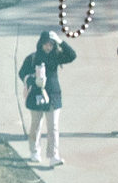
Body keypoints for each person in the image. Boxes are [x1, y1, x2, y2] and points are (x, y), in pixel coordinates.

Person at [18, 31, 78, 166]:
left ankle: (53, 156)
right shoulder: (32, 58)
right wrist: (33, 80)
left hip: (53, 96)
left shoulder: (56, 56)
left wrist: (60, 42)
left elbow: (72, 55)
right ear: (41, 44)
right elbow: (22, 73)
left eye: (51, 44)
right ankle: (34, 151)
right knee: (36, 125)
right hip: (36, 97)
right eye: (46, 44)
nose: (48, 47)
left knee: (53, 128)